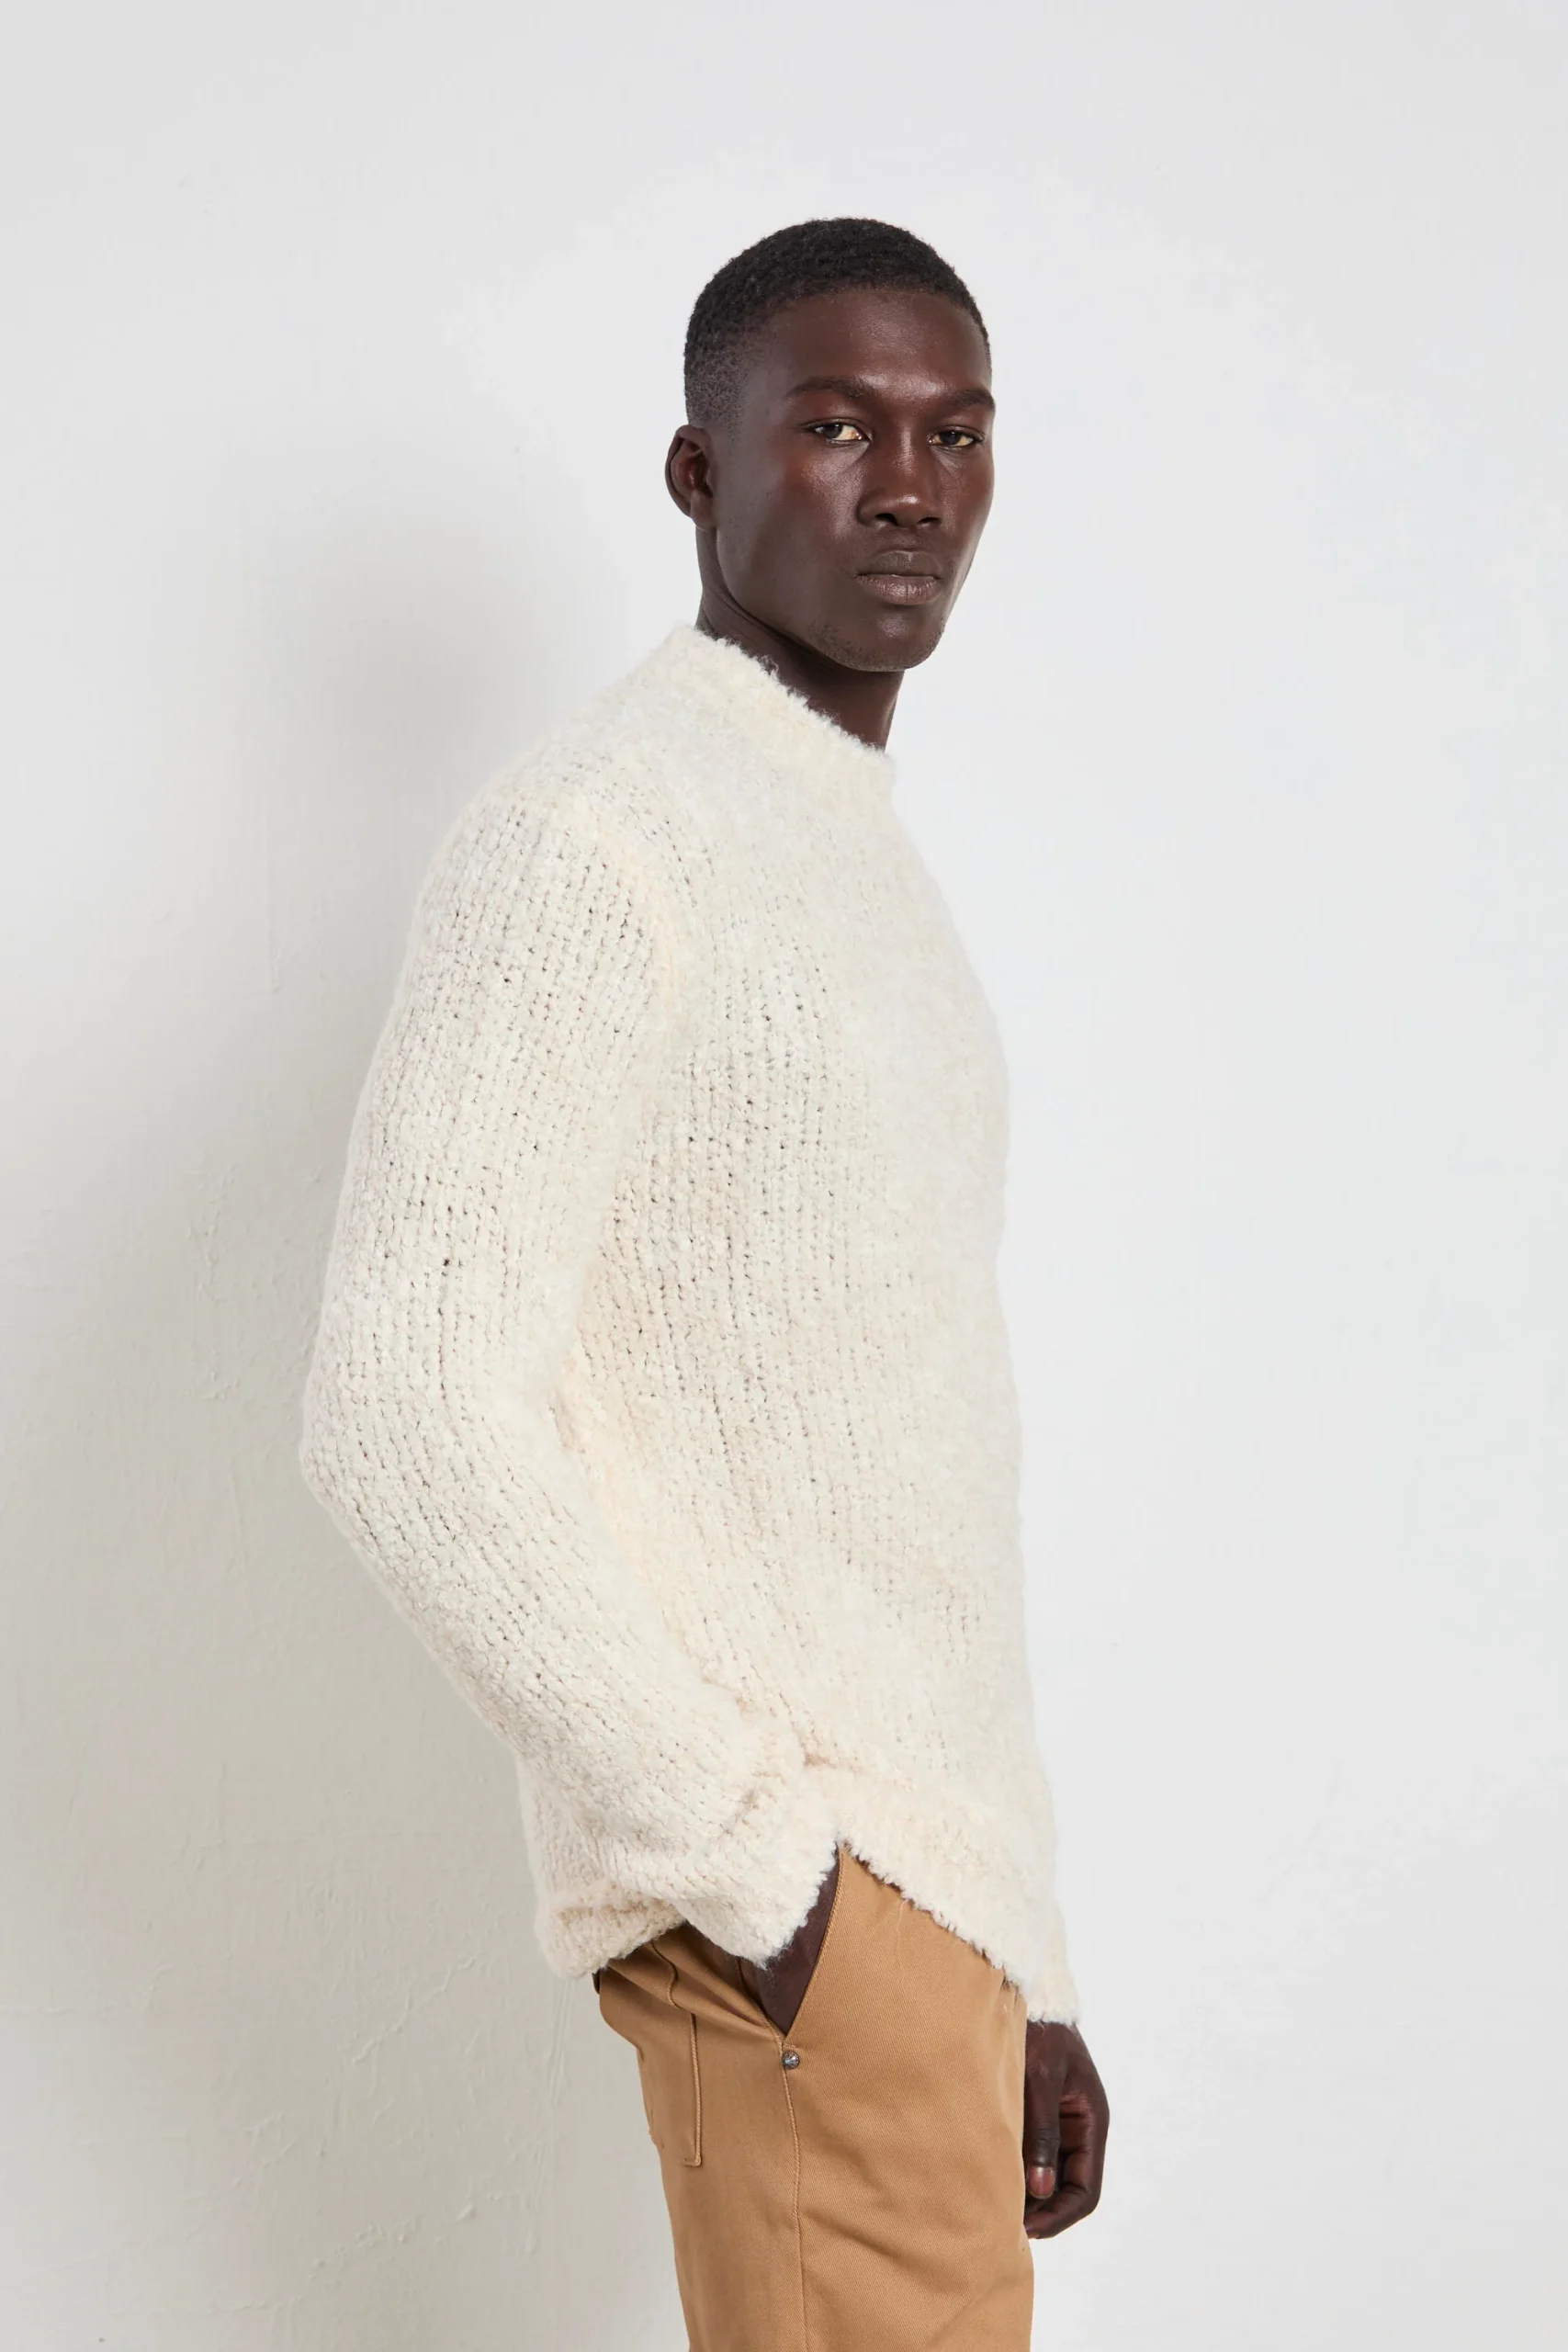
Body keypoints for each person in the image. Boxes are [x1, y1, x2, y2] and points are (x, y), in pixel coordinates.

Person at [301, 216, 1109, 2350]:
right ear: (699, 469)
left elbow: (903, 1477)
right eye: (838, 427)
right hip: (807, 1918)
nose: (909, 487)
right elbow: (402, 1404)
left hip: (922, 1924)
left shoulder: (842, 844)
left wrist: (1017, 1957)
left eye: (953, 433)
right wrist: (762, 1872)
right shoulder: (597, 834)